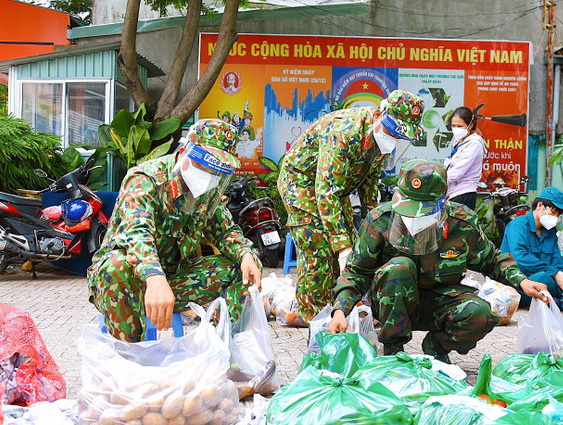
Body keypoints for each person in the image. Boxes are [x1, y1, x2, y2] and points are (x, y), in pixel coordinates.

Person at [326, 159, 549, 362]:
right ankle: (393, 351)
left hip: (441, 300)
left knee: (481, 314)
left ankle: (437, 347)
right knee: (399, 267)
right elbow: (356, 272)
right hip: (393, 301)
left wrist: (522, 282)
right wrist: (339, 311)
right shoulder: (379, 221)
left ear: (442, 203)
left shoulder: (461, 223)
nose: (413, 217)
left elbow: (491, 259)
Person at [88, 119, 262, 342]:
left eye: (216, 170)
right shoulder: (145, 179)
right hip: (128, 280)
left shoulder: (208, 190)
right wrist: (154, 275)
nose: (209, 175)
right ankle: (131, 362)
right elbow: (137, 232)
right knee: (116, 267)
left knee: (243, 270)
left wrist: (245, 254)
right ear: (183, 153)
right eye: (203, 166)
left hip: (173, 277)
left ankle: (224, 352)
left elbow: (225, 231)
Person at [278, 90, 425, 321]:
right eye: (392, 132)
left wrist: (373, 225)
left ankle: (337, 308)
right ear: (379, 115)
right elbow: (326, 190)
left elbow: (369, 184)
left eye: (400, 137)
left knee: (352, 246)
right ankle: (314, 318)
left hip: (339, 189)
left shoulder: (379, 140)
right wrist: (342, 246)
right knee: (319, 247)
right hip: (301, 182)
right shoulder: (344, 132)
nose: (393, 140)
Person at [500, 186, 563, 309]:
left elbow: (557, 260)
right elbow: (520, 258)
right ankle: (560, 301)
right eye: (554, 212)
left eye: (558, 215)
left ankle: (560, 300)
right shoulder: (518, 225)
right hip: (517, 282)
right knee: (543, 278)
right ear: (540, 205)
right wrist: (555, 274)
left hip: (542, 281)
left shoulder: (550, 232)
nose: (555, 218)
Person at [443, 107, 487, 210]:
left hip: (463, 195)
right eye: (453, 126)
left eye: (460, 126)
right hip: (452, 193)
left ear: (470, 125)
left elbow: (456, 173)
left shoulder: (474, 144)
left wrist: (436, 183)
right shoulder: (458, 141)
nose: (456, 129)